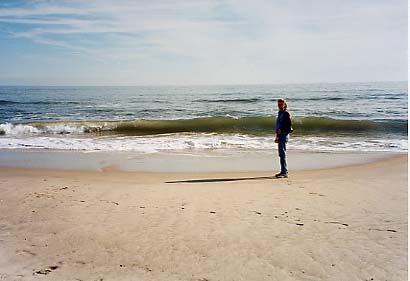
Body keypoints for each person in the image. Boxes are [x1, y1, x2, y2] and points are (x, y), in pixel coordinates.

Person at [275, 98, 292, 178]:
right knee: (281, 154)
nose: (280, 106)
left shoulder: (285, 113)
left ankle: (284, 172)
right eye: (279, 104)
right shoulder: (280, 113)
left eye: (281, 104)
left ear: (284, 105)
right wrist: (277, 136)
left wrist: (281, 130)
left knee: (282, 153)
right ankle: (283, 171)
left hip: (284, 134)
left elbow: (288, 125)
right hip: (280, 135)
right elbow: (279, 125)